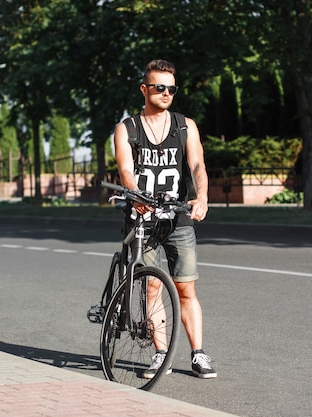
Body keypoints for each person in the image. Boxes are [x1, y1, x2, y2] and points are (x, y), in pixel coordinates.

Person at [113, 59, 217, 379]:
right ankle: (162, 355)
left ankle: (198, 354)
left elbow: (197, 165)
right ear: (144, 89)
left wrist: (202, 197)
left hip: (177, 218)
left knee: (186, 289)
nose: (167, 93)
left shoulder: (185, 125)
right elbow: (127, 171)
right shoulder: (127, 128)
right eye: (160, 87)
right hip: (143, 218)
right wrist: (136, 195)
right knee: (153, 288)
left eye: (172, 88)